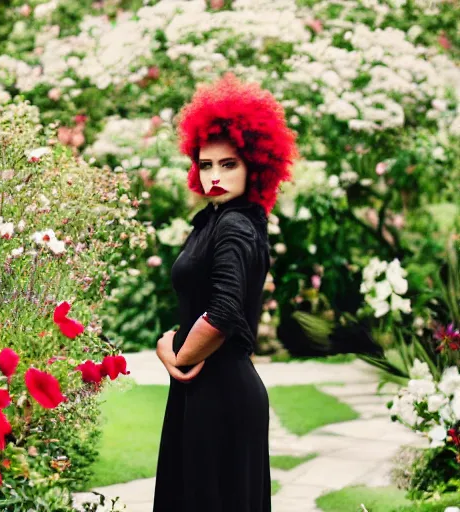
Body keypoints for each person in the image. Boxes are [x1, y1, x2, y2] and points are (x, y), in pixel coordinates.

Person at [153, 72, 299, 512]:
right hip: (204, 392)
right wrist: (169, 347)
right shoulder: (213, 219)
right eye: (206, 164)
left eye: (228, 164)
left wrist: (176, 356)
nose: (214, 176)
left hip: (220, 397)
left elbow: (223, 313)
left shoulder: (235, 223)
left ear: (256, 163)